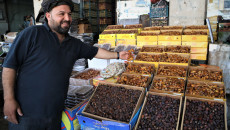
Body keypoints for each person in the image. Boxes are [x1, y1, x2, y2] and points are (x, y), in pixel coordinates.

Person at [2, 0, 129, 129]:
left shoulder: (73, 44)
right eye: (61, 14)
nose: (67, 18)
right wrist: (8, 99)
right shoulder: (32, 34)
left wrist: (118, 55)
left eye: (69, 14)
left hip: (54, 113)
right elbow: (9, 66)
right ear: (48, 15)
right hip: (26, 113)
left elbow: (95, 51)